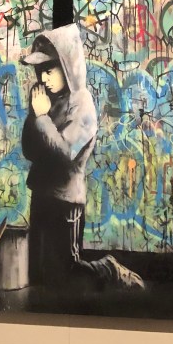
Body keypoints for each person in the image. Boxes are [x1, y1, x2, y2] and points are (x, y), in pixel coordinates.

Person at [21, 24, 144, 291]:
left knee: (67, 272)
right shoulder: (48, 100)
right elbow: (29, 151)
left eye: (49, 70)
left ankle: (109, 269)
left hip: (65, 201)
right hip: (41, 194)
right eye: (39, 71)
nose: (43, 78)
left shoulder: (82, 104)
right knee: (38, 272)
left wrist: (41, 118)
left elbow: (65, 156)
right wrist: (35, 116)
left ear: (67, 66)